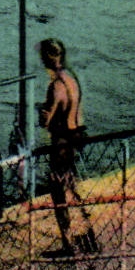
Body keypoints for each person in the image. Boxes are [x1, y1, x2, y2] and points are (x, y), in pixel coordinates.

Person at [37, 38, 93, 257]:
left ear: (49, 57)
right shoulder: (72, 80)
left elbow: (46, 121)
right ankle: (89, 235)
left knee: (58, 195)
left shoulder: (55, 87)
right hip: (75, 138)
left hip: (60, 145)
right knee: (73, 188)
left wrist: (42, 111)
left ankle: (68, 245)